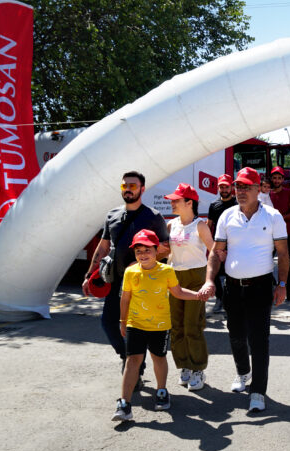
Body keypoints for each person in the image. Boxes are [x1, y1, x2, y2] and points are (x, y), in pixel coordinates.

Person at [198, 167, 290, 413]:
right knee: (236, 335)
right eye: (238, 186)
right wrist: (209, 280)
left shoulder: (273, 216)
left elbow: (283, 254)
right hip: (233, 287)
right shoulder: (227, 216)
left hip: (261, 286)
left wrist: (282, 285)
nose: (240, 191)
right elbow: (216, 252)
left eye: (246, 187)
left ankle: (258, 391)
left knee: (259, 340)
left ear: (258, 189)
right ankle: (243, 372)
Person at [83, 171, 169, 383]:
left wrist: (140, 262)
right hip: (116, 281)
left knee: (136, 328)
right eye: (125, 186)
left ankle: (134, 369)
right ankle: (127, 357)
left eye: (133, 185)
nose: (128, 189)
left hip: (143, 283)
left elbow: (166, 248)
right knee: (108, 323)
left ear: (142, 189)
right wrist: (89, 274)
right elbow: (103, 247)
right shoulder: (112, 215)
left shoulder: (153, 216)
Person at [112, 229, 204, 422]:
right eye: (138, 251)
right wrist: (122, 321)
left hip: (160, 325)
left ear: (156, 251)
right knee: (132, 361)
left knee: (158, 358)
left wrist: (197, 295)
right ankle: (124, 404)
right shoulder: (130, 272)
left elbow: (178, 292)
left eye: (147, 250)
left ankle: (161, 391)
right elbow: (125, 298)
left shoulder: (166, 271)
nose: (143, 254)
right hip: (135, 324)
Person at [165, 182, 215, 392]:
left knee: (192, 325)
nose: (172, 203)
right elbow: (166, 252)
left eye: (176, 200)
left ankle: (198, 369)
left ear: (189, 203)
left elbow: (213, 252)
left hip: (196, 277)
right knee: (176, 326)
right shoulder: (171, 225)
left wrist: (210, 280)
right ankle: (184, 365)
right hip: (174, 277)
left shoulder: (200, 226)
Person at [207, 174, 237, 310]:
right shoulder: (214, 205)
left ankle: (230, 301)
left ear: (231, 187)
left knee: (232, 273)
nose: (224, 190)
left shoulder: (237, 204)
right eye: (221, 187)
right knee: (215, 273)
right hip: (218, 244)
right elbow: (209, 226)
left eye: (226, 187)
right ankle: (219, 299)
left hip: (234, 245)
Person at [268, 166, 290, 300]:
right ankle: (271, 287)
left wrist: (279, 219)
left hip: (285, 233)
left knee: (286, 263)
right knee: (265, 261)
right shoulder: (266, 193)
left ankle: (288, 291)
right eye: (274, 178)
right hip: (267, 233)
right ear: (271, 179)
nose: (276, 180)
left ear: (283, 179)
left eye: (279, 178)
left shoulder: (289, 192)